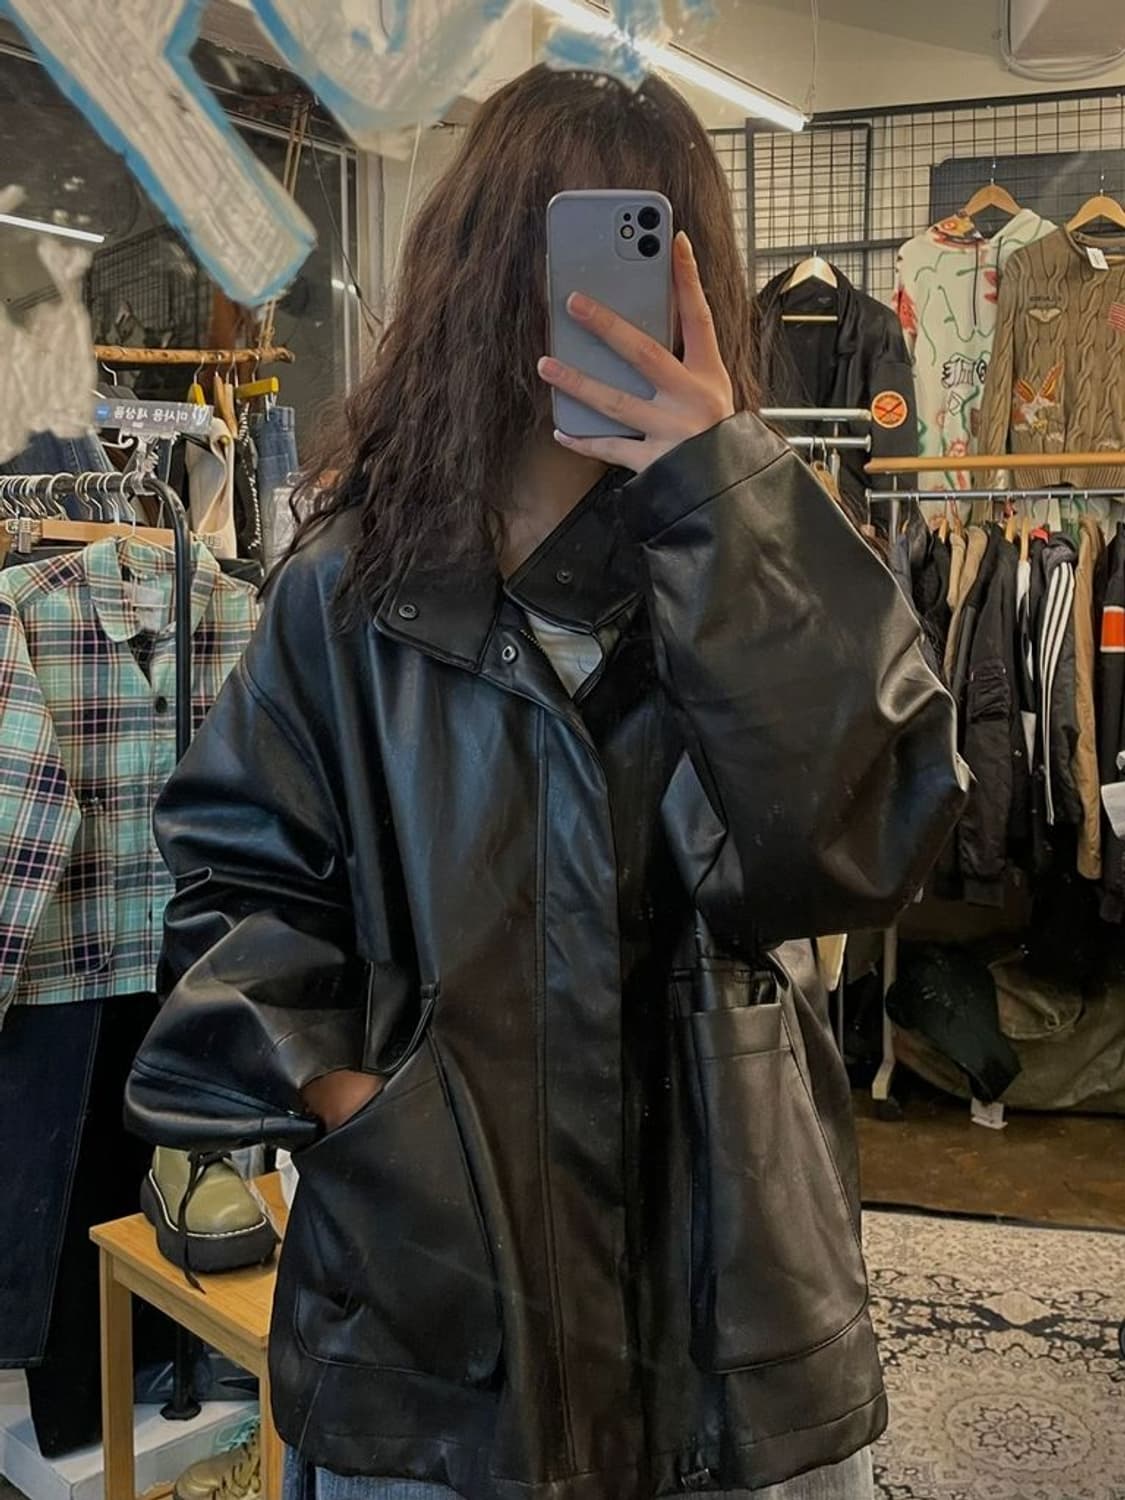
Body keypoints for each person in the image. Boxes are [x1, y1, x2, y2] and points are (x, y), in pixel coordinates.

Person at [126, 64, 965, 1500]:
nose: (596, 306)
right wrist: (365, 1107)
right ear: (484, 273)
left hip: (726, 1288)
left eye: (645, 256)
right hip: (435, 1293)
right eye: (558, 251)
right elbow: (234, 890)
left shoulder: (761, 556)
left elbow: (861, 844)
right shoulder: (346, 591)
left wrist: (721, 498)